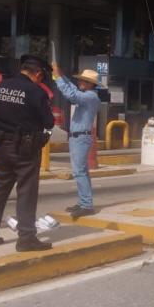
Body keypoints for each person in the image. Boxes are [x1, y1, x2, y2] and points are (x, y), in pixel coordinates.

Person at [0, 55, 55, 252]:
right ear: (38, 74)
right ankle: (26, 238)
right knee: (26, 192)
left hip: (2, 145)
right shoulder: (36, 91)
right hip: (25, 149)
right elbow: (48, 122)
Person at [53, 64, 101, 219]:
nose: (80, 83)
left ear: (90, 84)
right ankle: (84, 202)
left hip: (81, 137)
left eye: (83, 81)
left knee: (79, 172)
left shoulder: (90, 96)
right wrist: (60, 75)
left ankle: (86, 204)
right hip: (78, 137)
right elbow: (73, 89)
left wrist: (59, 78)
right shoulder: (87, 95)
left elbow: (72, 95)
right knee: (82, 172)